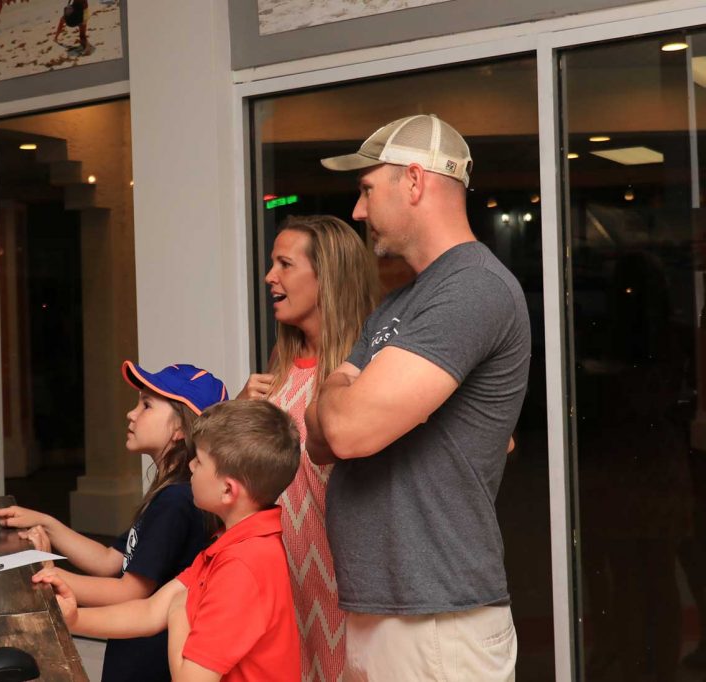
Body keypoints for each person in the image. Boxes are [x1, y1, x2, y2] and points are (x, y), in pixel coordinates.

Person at [305, 114, 531, 681]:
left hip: (436, 621)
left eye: (366, 190)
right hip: (386, 610)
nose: (357, 211)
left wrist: (340, 387)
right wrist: (339, 392)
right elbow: (320, 440)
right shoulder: (403, 302)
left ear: (413, 180)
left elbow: (347, 430)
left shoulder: (472, 287)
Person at [0, 361, 228, 682]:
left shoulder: (176, 501)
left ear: (181, 429)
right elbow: (110, 560)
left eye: (146, 405)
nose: (132, 413)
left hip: (148, 662)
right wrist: (48, 523)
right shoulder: (169, 493)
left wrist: (48, 573)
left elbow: (129, 592)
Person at [36, 399, 303, 682]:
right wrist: (73, 618)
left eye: (199, 461)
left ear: (227, 490)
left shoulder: (243, 567)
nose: (190, 465)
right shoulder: (230, 542)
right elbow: (150, 611)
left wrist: (178, 615)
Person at [237, 214, 378, 682]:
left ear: (328, 278)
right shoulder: (282, 362)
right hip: (282, 577)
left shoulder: (368, 369)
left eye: (284, 264)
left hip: (342, 582)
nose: (269, 277)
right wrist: (242, 414)